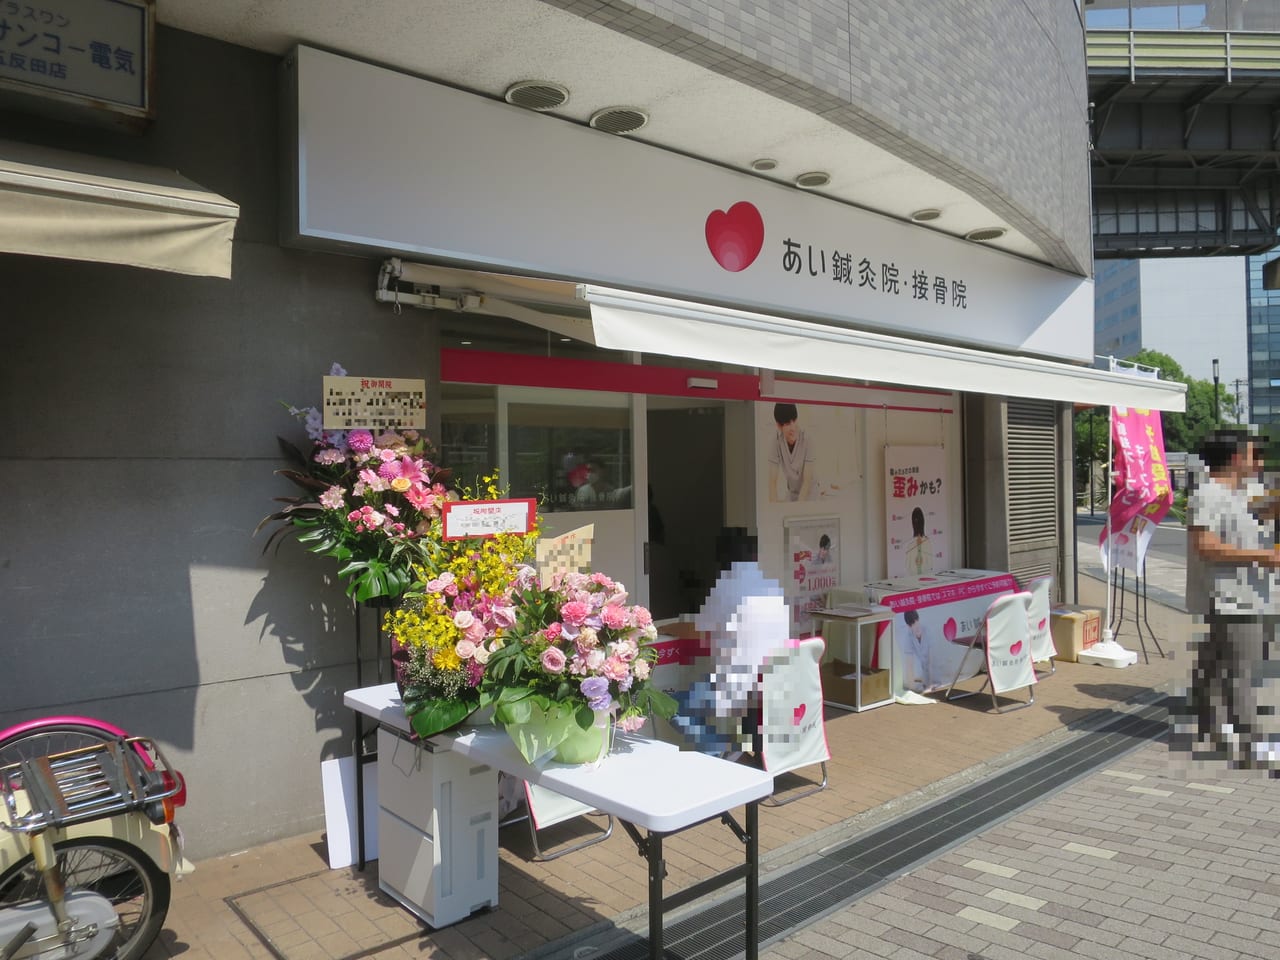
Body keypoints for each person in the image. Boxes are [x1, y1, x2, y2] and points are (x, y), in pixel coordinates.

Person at [1178, 427, 1280, 773]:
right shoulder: (1208, 494)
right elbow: (1205, 546)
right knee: (1241, 673)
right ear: (1237, 457)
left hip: (1242, 596)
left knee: (1214, 668)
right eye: (1254, 454)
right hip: (1232, 599)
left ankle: (1210, 731)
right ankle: (1249, 747)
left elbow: (1265, 510)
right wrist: (1262, 557)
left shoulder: (1241, 493)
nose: (1259, 461)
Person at [768, 402, 817, 501]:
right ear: (779, 425)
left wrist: (798, 507)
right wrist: (773, 508)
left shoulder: (807, 439)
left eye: (794, 421)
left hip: (810, 493)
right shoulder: (776, 442)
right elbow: (772, 482)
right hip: (792, 493)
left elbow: (807, 481)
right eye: (787, 424)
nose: (793, 427)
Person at [897, 609, 937, 694]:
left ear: (919, 619)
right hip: (923, 672)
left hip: (934, 670)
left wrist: (929, 685)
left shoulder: (927, 631)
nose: (916, 627)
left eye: (916, 622)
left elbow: (931, 661)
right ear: (908, 626)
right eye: (912, 625)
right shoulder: (908, 637)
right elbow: (909, 665)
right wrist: (912, 690)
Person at [904, 507, 933, 575]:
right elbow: (931, 565)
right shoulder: (927, 543)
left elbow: (907, 566)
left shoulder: (911, 546)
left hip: (919, 578)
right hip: (918, 578)